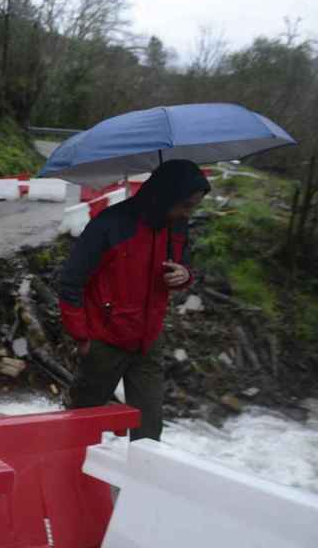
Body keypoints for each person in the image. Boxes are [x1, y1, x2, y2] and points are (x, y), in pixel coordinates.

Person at [59, 159, 211, 441]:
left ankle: (139, 481)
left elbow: (185, 265)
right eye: (186, 205)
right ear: (166, 195)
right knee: (82, 421)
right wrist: (81, 337)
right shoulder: (110, 224)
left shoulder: (177, 226)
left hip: (149, 338)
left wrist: (184, 275)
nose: (189, 213)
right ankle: (71, 477)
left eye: (194, 206)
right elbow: (70, 282)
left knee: (149, 428)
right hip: (105, 339)